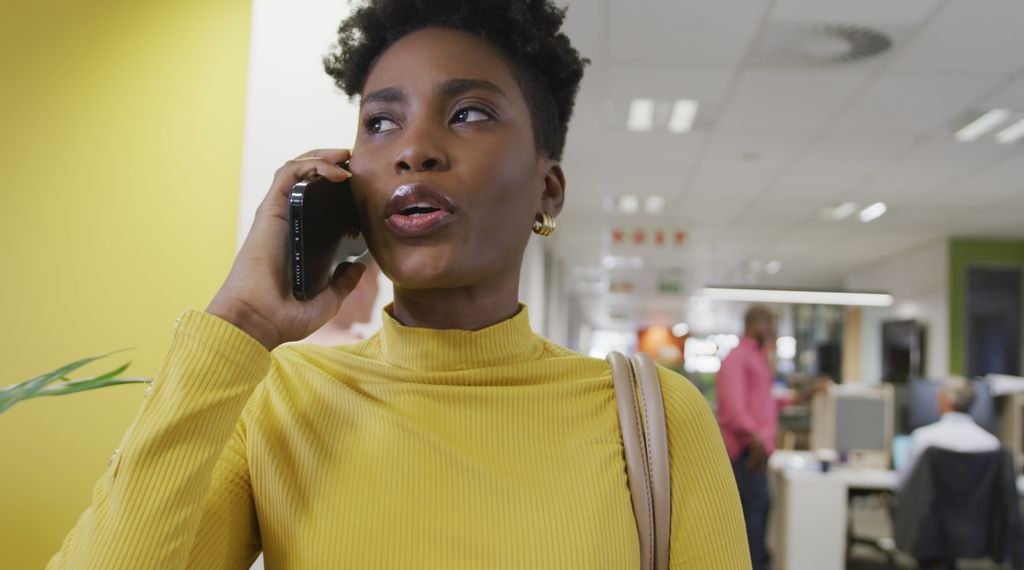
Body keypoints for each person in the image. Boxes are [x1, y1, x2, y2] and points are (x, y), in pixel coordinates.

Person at [46, 1, 750, 568]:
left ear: (549, 188)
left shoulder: (656, 416)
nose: (413, 148)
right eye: (381, 121)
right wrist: (241, 323)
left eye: (469, 112)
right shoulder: (279, 400)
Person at [714, 305, 780, 570]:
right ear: (755, 323)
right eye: (770, 322)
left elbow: (763, 403)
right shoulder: (738, 357)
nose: (773, 330)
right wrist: (755, 439)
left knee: (757, 508)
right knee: (756, 508)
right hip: (745, 450)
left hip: (756, 447)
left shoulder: (758, 357)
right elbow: (732, 409)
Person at [897, 376, 1000, 489]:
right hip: (978, 507)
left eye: (939, 397)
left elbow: (903, 484)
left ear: (948, 401)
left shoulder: (923, 439)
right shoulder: (992, 444)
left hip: (934, 506)